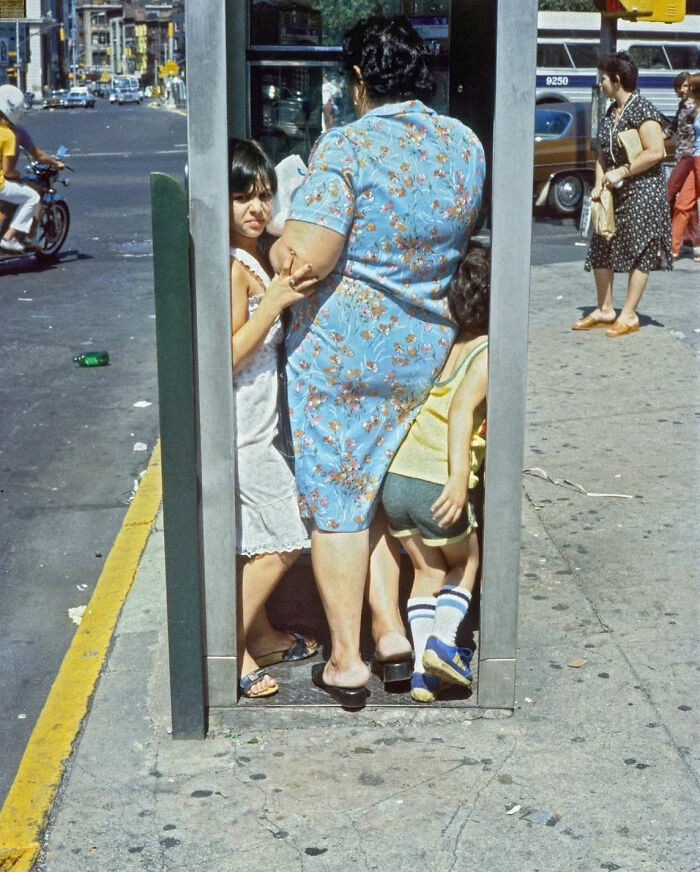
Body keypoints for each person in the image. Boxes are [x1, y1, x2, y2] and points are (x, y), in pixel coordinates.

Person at [269, 15, 485, 708]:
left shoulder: (348, 147)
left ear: (359, 80)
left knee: (339, 505)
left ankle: (346, 660)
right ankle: (391, 631)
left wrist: (282, 229)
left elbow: (307, 257)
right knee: (384, 497)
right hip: (425, 349)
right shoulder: (463, 144)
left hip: (343, 357)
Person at [228, 139, 319, 699]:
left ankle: (260, 637)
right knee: (284, 538)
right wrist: (273, 303)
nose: (256, 209)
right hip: (240, 432)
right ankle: (229, 644)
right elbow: (228, 353)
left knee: (265, 536)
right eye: (243, 197)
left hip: (259, 427)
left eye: (263, 195)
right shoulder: (234, 268)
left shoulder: (253, 259)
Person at [382, 244, 489, 703]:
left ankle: (426, 676)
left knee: (426, 570)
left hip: (398, 479)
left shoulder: (447, 344)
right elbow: (463, 411)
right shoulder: (487, 352)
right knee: (467, 561)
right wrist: (458, 479)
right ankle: (445, 643)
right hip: (432, 479)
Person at [572, 52, 671, 337]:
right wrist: (599, 183)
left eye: (602, 79)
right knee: (601, 243)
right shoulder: (611, 112)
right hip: (615, 190)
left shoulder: (643, 110)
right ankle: (605, 308)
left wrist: (623, 171)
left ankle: (628, 315)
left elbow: (657, 151)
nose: (600, 84)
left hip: (643, 190)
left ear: (616, 80)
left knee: (639, 249)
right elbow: (602, 154)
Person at [0, 84, 40, 253]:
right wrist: (17, 174)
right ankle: (8, 238)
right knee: (33, 197)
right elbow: (8, 170)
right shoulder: (9, 134)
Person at [665, 72, 698, 259]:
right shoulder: (682, 105)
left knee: (669, 193)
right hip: (683, 156)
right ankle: (694, 243)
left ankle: (669, 240)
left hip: (689, 156)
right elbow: (673, 127)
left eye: (685, 86)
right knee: (688, 203)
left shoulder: (693, 106)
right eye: (679, 86)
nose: (682, 90)